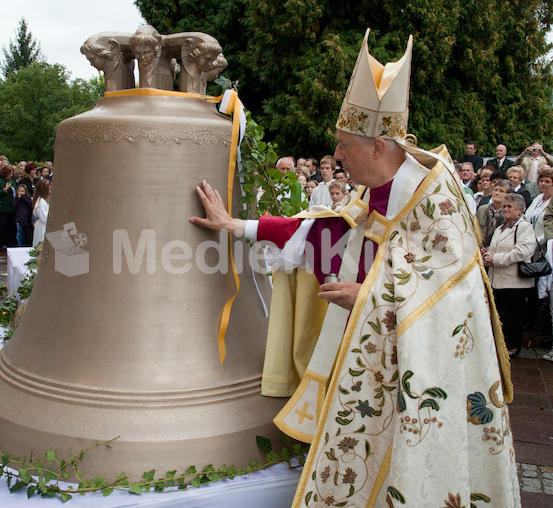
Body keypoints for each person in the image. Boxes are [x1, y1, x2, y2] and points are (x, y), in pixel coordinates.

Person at [190, 29, 519, 506]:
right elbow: (318, 232)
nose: (338, 157)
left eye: (344, 146)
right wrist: (234, 224)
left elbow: (452, 294)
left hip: (426, 381)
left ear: (380, 148)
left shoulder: (437, 199)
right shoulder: (373, 193)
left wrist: (367, 297)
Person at [483, 193, 536, 357]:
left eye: (509, 206)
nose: (505, 209)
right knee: (500, 316)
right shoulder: (500, 228)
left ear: (520, 210)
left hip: (513, 282)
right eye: (504, 206)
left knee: (512, 316)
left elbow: (523, 251)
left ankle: (513, 345)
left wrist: (497, 259)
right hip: (497, 280)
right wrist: (487, 256)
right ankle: (501, 345)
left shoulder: (524, 227)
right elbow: (493, 248)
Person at [477, 179, 512, 247]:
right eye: (495, 190)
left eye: (501, 191)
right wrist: (480, 247)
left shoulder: (510, 213)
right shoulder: (482, 209)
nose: (497, 193)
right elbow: (476, 231)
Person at [0, 165, 18, 249]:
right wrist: (4, 190)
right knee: (2, 227)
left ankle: (10, 242)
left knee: (10, 227)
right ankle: (0, 243)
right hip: (1, 208)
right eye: (10, 173)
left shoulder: (11, 181)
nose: (11, 175)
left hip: (11, 208)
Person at [32, 179, 50, 247]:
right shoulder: (41, 203)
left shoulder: (44, 201)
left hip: (44, 226)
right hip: (42, 226)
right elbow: (44, 217)